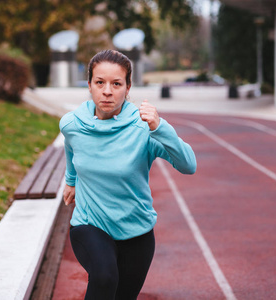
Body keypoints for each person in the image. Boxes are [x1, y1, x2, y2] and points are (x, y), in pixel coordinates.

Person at [59, 49, 197, 300]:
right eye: (100, 82)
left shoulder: (144, 128)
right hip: (91, 225)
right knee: (104, 277)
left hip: (137, 233)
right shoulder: (72, 124)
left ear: (128, 87)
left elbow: (189, 165)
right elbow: (71, 147)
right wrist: (71, 181)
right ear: (89, 85)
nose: (107, 91)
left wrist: (160, 127)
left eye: (116, 84)